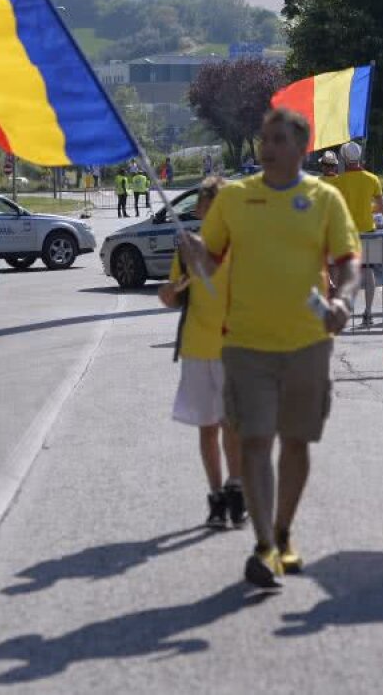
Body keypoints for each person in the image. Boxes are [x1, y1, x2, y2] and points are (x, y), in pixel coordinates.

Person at [178, 107, 362, 589]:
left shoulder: (324, 198)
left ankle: (283, 532)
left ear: (301, 147)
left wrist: (342, 299)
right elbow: (212, 262)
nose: (268, 146)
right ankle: (264, 545)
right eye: (265, 137)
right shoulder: (235, 198)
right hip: (245, 345)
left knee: (296, 443)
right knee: (256, 441)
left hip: (308, 343)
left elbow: (348, 261)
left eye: (279, 138)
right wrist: (194, 252)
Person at [158, 176, 246, 529]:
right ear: (200, 209)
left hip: (233, 347)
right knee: (207, 426)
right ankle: (216, 496)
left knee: (232, 425)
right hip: (197, 347)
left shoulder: (242, 245)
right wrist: (168, 293)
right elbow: (174, 294)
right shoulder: (188, 247)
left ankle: (236, 487)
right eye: (210, 207)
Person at [334, 141, 383, 327]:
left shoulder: (338, 182)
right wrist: (367, 211)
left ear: (344, 159)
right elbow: (380, 207)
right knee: (368, 271)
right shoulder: (372, 179)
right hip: (368, 230)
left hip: (346, 232)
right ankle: (368, 312)